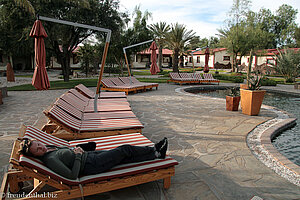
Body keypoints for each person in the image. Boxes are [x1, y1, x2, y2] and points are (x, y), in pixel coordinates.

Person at [18, 137, 168, 180]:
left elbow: (65, 150)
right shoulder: (49, 160)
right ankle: (154, 149)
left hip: (89, 156)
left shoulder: (48, 147)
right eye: (37, 150)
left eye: (38, 144)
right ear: (35, 155)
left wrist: (78, 149)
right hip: (91, 164)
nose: (41, 147)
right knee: (125, 149)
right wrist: (77, 156)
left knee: (123, 157)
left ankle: (155, 155)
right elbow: (72, 175)